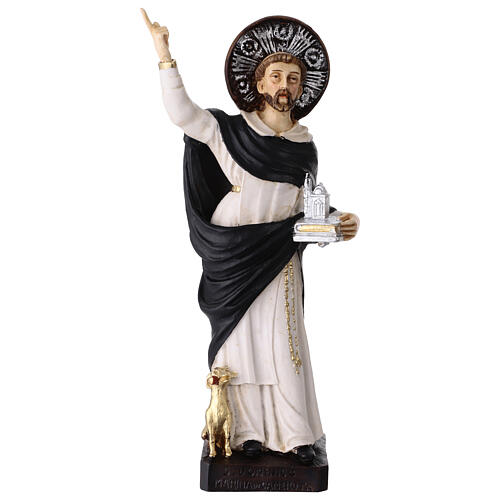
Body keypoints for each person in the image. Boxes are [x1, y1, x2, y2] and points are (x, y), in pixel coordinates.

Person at [142, 11, 360, 464]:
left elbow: (305, 205)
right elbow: (183, 115)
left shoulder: (304, 145)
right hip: (234, 254)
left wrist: (337, 220)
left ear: (301, 89)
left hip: (279, 256)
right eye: (276, 76)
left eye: (293, 79)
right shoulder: (231, 131)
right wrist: (165, 56)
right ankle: (246, 434)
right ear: (260, 84)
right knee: (240, 348)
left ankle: (296, 436)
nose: (284, 85)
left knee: (284, 343)